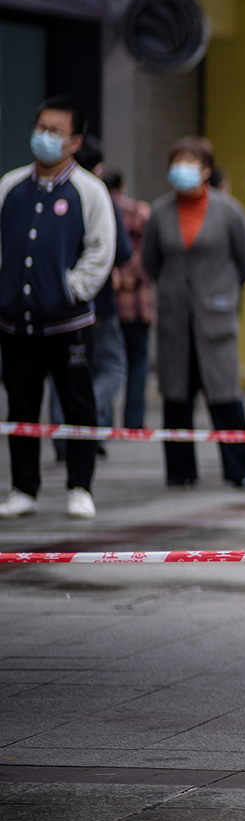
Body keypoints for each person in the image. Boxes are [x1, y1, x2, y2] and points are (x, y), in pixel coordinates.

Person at [0, 96, 116, 520]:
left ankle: (80, 486)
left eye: (55, 131)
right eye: (41, 127)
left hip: (68, 322)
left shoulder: (89, 190)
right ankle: (23, 488)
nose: (44, 137)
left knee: (77, 405)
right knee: (20, 406)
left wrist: (71, 289)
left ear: (74, 141)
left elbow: (101, 250)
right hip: (15, 322)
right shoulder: (10, 185)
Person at [144, 137, 245, 489]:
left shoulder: (228, 210)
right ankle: (180, 472)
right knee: (176, 398)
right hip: (175, 319)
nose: (182, 168)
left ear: (207, 169)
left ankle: (239, 470)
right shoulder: (160, 212)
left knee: (225, 397)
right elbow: (151, 262)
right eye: (177, 161)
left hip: (216, 318)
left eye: (191, 162)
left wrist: (223, 292)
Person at [47, 135, 131, 462]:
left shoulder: (45, 194)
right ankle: (84, 417)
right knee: (112, 365)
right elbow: (121, 251)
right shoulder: (97, 195)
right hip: (96, 303)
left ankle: (63, 440)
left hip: (52, 302)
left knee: (61, 371)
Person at [108, 168, 155, 430]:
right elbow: (147, 253)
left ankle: (102, 424)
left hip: (107, 303)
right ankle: (133, 422)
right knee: (137, 363)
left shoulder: (97, 208)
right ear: (123, 185)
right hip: (137, 303)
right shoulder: (140, 212)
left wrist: (116, 277)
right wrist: (130, 277)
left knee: (106, 365)